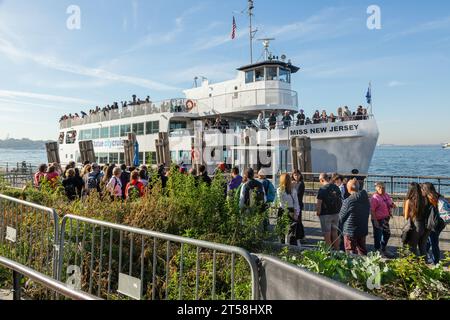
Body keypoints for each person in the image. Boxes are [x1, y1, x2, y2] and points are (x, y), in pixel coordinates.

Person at [339, 179, 371, 256]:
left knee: (350, 252)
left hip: (350, 231)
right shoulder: (365, 197)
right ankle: (364, 265)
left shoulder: (348, 201)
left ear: (349, 188)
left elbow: (341, 217)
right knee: (362, 250)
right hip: (362, 228)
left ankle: (351, 267)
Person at [422, 183, 446, 264]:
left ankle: (436, 261)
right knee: (429, 241)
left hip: (432, 224)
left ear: (426, 190)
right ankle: (425, 256)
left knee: (433, 242)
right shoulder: (439, 196)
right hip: (440, 223)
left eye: (423, 189)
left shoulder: (428, 198)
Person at [403, 183, 430, 257]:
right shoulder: (424, 199)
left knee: (412, 247)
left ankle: (413, 265)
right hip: (424, 226)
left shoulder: (409, 201)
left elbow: (406, 217)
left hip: (415, 226)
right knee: (422, 246)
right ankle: (425, 263)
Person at [316, 173, 342, 250]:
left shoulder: (322, 189)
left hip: (325, 214)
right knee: (335, 233)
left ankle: (329, 251)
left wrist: (318, 212)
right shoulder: (336, 187)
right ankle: (337, 250)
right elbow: (340, 200)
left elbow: (319, 203)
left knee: (327, 234)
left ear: (322, 180)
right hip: (335, 213)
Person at [370, 182, 395, 258]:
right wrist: (375, 221)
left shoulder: (386, 195)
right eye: (380, 188)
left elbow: (389, 203)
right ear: (376, 188)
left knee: (387, 234)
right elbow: (372, 210)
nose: (382, 189)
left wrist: (392, 205)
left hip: (385, 218)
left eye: (383, 188)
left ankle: (383, 248)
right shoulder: (375, 198)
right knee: (378, 235)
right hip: (378, 219)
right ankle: (378, 251)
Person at [276, 173, 300, 246]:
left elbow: (281, 202)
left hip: (282, 210)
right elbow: (296, 203)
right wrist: (297, 213)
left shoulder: (279, 190)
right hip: (291, 211)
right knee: (291, 230)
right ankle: (291, 246)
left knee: (281, 230)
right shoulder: (293, 190)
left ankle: (282, 245)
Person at [291, 170, 306, 242]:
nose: (296, 176)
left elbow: (298, 195)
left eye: (298, 175)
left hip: (298, 204)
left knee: (298, 220)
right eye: (295, 175)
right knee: (296, 221)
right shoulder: (292, 183)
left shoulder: (301, 184)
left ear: (300, 175)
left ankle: (302, 236)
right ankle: (299, 236)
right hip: (292, 204)